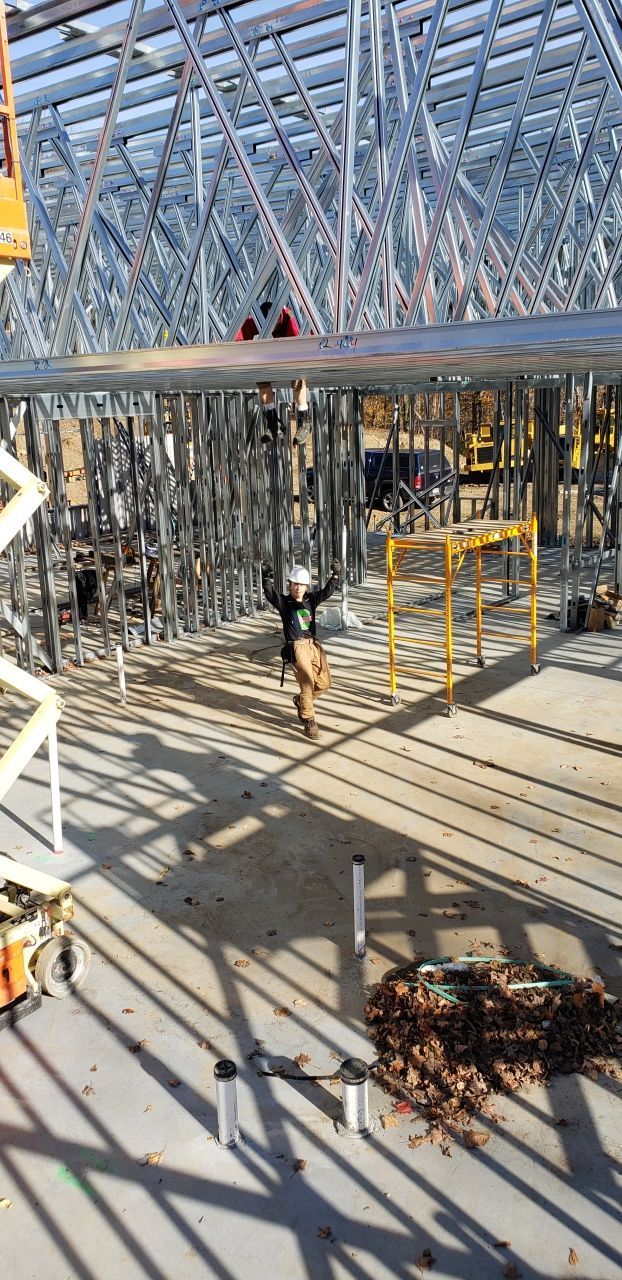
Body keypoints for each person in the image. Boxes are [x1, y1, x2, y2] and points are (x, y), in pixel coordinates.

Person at [262, 559, 340, 740]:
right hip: (297, 647)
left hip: (313, 645)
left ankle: (301, 702)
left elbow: (327, 592)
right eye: (295, 584)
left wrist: (335, 575)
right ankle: (309, 721)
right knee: (307, 685)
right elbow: (270, 594)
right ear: (289, 585)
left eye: (301, 585)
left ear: (306, 587)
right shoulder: (284, 602)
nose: (298, 587)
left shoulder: (311, 600)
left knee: (324, 683)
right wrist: (266, 576)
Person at [235, 301, 311, 447]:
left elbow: (300, 350)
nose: (271, 327)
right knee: (262, 378)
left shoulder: (289, 319)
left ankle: (304, 420)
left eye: (274, 323)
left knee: (297, 378)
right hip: (272, 352)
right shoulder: (255, 320)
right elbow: (238, 339)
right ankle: (272, 421)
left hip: (295, 351)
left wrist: (295, 368)